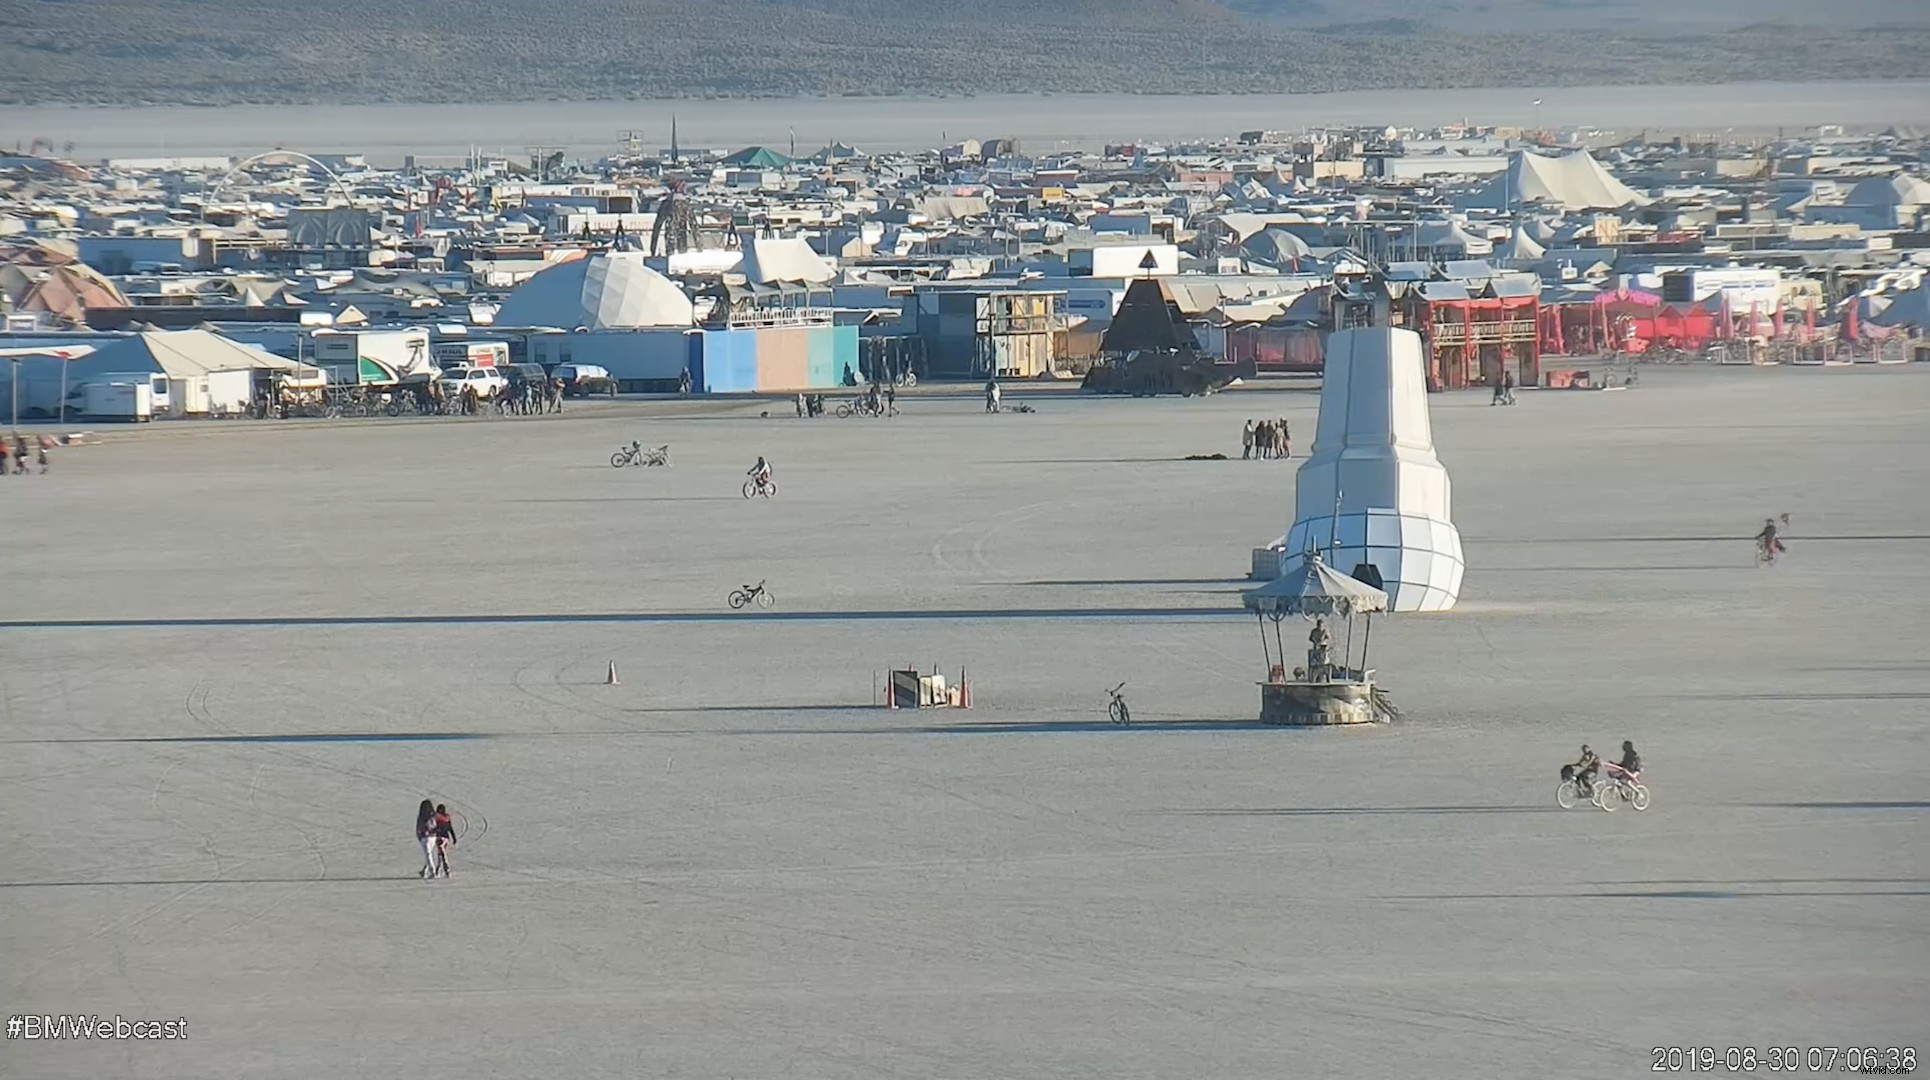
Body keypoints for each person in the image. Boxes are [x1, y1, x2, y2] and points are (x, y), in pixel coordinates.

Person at [416, 799, 439, 879]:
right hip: (433, 836)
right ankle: (424, 871)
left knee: (428, 855)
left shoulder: (422, 816)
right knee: (428, 854)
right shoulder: (434, 815)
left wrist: (419, 836)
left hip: (425, 837)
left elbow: (419, 827)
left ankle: (432, 872)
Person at [433, 804, 457, 877]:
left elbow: (450, 828)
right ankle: (439, 870)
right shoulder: (446, 817)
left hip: (441, 838)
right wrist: (454, 837)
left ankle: (446, 870)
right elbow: (450, 828)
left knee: (442, 854)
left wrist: (454, 837)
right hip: (445, 838)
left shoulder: (437, 817)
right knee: (441, 854)